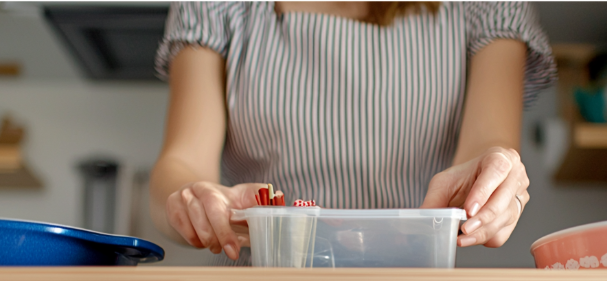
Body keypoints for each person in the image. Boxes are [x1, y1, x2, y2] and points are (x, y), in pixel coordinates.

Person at [150, 0, 555, 265]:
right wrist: (193, 200)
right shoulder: (217, 5)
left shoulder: (488, 6)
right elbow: (182, 163)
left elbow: (484, 149)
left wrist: (497, 174)